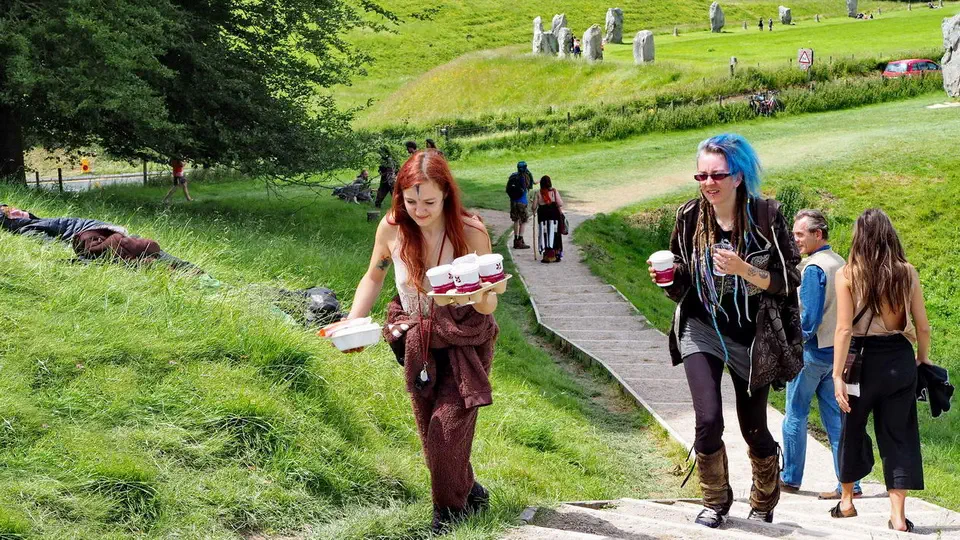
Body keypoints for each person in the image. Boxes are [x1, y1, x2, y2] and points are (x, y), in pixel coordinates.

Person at [647, 133, 802, 528]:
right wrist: (668, 280)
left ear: (738, 176)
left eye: (717, 175)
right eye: (701, 176)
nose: (708, 183)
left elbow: (787, 279)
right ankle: (715, 500)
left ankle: (764, 498)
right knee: (708, 419)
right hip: (702, 327)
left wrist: (743, 269)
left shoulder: (767, 216)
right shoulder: (688, 217)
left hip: (754, 338)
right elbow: (684, 276)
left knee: (754, 429)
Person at [344, 150, 499, 534]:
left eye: (428, 201)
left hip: (465, 337)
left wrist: (476, 296)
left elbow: (490, 299)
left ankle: (449, 516)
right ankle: (471, 492)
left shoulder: (471, 231)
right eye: (410, 200)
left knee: (446, 430)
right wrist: (352, 321)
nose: (419, 210)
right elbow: (374, 276)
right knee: (430, 431)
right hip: (417, 339)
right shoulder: (393, 227)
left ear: (446, 193)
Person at [830, 208, 931, 533]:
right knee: (899, 434)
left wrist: (836, 376)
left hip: (859, 362)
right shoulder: (907, 272)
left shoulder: (847, 274)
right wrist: (921, 359)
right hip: (899, 360)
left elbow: (844, 330)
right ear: (890, 235)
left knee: (852, 427)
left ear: (858, 237)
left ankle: (847, 501)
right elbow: (923, 327)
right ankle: (898, 516)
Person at [781, 210, 862, 500]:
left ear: (818, 234)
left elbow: (809, 319)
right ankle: (850, 483)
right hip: (837, 357)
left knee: (795, 414)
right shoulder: (840, 262)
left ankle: (790, 478)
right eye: (794, 234)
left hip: (811, 355)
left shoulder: (813, 268)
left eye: (800, 234)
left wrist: (791, 346)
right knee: (836, 422)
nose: (796, 239)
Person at [0, 203, 201, 272]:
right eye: (9, 215)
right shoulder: (29, 229)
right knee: (137, 248)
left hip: (102, 232)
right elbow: (52, 244)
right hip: (96, 236)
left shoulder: (39, 220)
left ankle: (186, 270)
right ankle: (185, 270)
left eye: (10, 208)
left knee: (141, 248)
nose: (15, 211)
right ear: (10, 223)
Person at [530, 175, 564, 263]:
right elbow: (560, 203)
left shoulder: (538, 193)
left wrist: (533, 209)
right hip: (554, 216)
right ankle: (555, 254)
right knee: (554, 233)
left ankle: (546, 254)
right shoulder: (553, 191)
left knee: (544, 233)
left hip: (543, 217)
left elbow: (534, 206)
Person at [506, 161, 535, 250]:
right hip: (522, 202)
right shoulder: (525, 176)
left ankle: (515, 240)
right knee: (524, 220)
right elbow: (530, 186)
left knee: (516, 220)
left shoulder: (513, 176)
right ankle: (520, 240)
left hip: (513, 201)